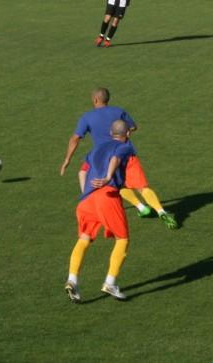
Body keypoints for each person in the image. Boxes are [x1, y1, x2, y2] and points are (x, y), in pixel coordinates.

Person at [60, 88, 178, 230]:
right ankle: (160, 211)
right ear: (107, 99)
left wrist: (67, 159)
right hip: (126, 154)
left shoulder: (87, 117)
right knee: (142, 187)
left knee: (117, 186)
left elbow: (75, 138)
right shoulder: (118, 111)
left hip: (106, 159)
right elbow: (133, 127)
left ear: (95, 100)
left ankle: (141, 207)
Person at [65, 119, 136, 302]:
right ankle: (110, 282)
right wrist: (107, 178)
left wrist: (87, 193)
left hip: (87, 199)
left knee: (84, 239)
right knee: (123, 239)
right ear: (127, 133)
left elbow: (82, 172)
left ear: (111, 132)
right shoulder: (126, 146)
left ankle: (72, 279)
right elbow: (115, 158)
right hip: (107, 195)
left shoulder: (96, 148)